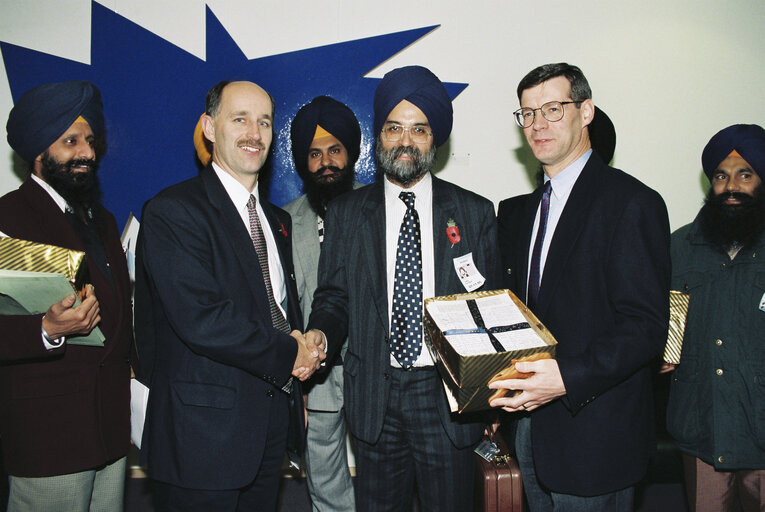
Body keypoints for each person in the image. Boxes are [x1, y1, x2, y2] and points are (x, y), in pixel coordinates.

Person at [306, 65, 501, 512]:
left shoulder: (474, 213)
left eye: (419, 129)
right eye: (394, 128)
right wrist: (320, 335)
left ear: (435, 139)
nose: (405, 141)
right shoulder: (346, 213)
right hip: (375, 395)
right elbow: (333, 298)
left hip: (447, 397)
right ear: (379, 136)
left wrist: (490, 402)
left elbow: (490, 312)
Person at [134, 80, 323, 512]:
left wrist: (304, 347)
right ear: (209, 127)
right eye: (239, 119)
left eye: (264, 122)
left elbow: (275, 310)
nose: (254, 133)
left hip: (267, 433)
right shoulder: (172, 211)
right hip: (201, 440)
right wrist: (289, 353)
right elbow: (202, 319)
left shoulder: (277, 221)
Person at [492, 62, 670, 510]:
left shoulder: (632, 203)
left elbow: (645, 327)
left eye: (553, 108)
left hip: (598, 434)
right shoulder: (517, 213)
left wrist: (567, 378)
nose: (538, 125)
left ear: (585, 111)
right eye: (527, 114)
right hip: (529, 430)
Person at [0, 80, 134, 511]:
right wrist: (45, 330)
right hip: (50, 436)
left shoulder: (103, 219)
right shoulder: (9, 216)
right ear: (39, 152)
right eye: (70, 141)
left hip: (111, 430)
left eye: (90, 140)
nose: (87, 153)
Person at [665, 124, 765, 512]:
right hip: (701, 430)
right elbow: (666, 332)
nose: (732, 186)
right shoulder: (681, 246)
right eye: (722, 176)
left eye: (745, 174)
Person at [283, 95, 362, 512]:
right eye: (315, 153)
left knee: (387, 479)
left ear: (351, 154)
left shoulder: (378, 211)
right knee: (325, 482)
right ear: (302, 161)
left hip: (375, 375)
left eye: (334, 150)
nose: (325, 162)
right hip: (312, 379)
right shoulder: (282, 222)